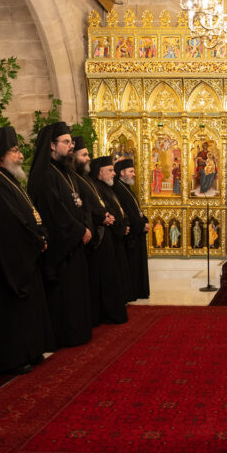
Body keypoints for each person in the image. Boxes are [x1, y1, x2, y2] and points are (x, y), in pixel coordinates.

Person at [0, 126, 52, 374]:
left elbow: (29, 215)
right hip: (6, 263)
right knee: (9, 310)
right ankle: (13, 358)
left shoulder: (8, 180)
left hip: (25, 255)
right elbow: (7, 227)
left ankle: (30, 350)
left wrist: (40, 235)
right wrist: (35, 240)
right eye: (15, 150)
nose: (21, 155)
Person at [26, 122, 92, 348]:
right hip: (61, 246)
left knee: (76, 290)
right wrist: (79, 230)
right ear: (52, 145)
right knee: (64, 292)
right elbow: (55, 212)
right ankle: (66, 334)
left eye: (71, 142)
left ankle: (79, 331)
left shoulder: (66, 172)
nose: (71, 146)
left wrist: (85, 226)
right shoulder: (45, 174)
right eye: (66, 142)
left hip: (75, 240)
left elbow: (80, 203)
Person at [87, 155, 131, 324]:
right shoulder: (97, 188)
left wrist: (124, 223)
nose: (114, 173)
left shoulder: (108, 188)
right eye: (110, 170)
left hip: (115, 238)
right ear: (100, 172)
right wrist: (117, 224)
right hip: (106, 238)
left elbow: (119, 209)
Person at [70, 136, 105, 328]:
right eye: (84, 155)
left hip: (93, 233)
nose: (88, 158)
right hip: (85, 236)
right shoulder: (74, 178)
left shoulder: (84, 178)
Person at [112, 156, 151, 299]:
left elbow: (136, 210)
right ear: (122, 172)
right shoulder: (117, 188)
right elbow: (126, 212)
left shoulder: (126, 188)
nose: (134, 174)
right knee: (132, 265)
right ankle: (134, 292)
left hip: (137, 231)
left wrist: (144, 220)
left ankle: (140, 291)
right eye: (131, 171)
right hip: (131, 235)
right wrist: (141, 225)